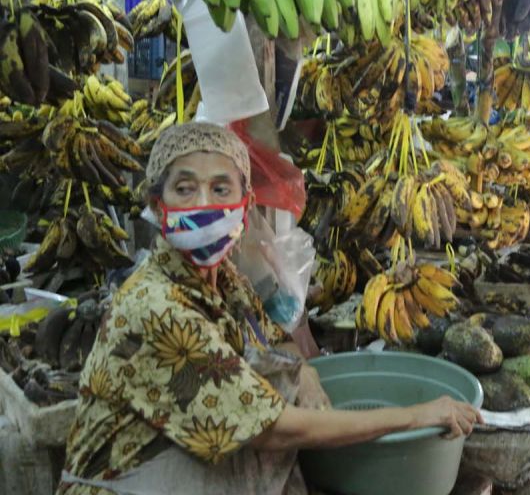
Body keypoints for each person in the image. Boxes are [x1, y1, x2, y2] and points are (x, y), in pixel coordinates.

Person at [59, 123, 481, 494]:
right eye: (185, 188)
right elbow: (271, 428)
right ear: (157, 205)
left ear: (244, 206)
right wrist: (417, 416)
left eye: (220, 188)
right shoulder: (154, 306)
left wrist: (309, 372)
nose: (204, 203)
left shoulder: (227, 282)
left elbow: (275, 339)